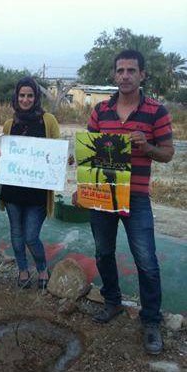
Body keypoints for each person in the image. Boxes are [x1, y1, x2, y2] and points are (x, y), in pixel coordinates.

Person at [84, 50, 174, 354]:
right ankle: (112, 302)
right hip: (104, 195)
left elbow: (168, 153)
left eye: (131, 70)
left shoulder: (156, 111)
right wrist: (80, 176)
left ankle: (150, 320)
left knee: (146, 262)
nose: (125, 75)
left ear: (142, 75)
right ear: (114, 75)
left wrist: (147, 146)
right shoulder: (100, 111)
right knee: (103, 252)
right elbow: (89, 152)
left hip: (136, 198)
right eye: (120, 70)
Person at [0, 77, 60, 289]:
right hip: (13, 192)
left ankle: (42, 268)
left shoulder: (48, 121)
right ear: (16, 97)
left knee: (31, 236)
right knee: (16, 235)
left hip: (38, 193)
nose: (25, 99)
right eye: (22, 95)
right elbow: (6, 154)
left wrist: (62, 159)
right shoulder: (9, 124)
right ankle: (23, 270)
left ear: (36, 97)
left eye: (30, 95)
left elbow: (56, 151)